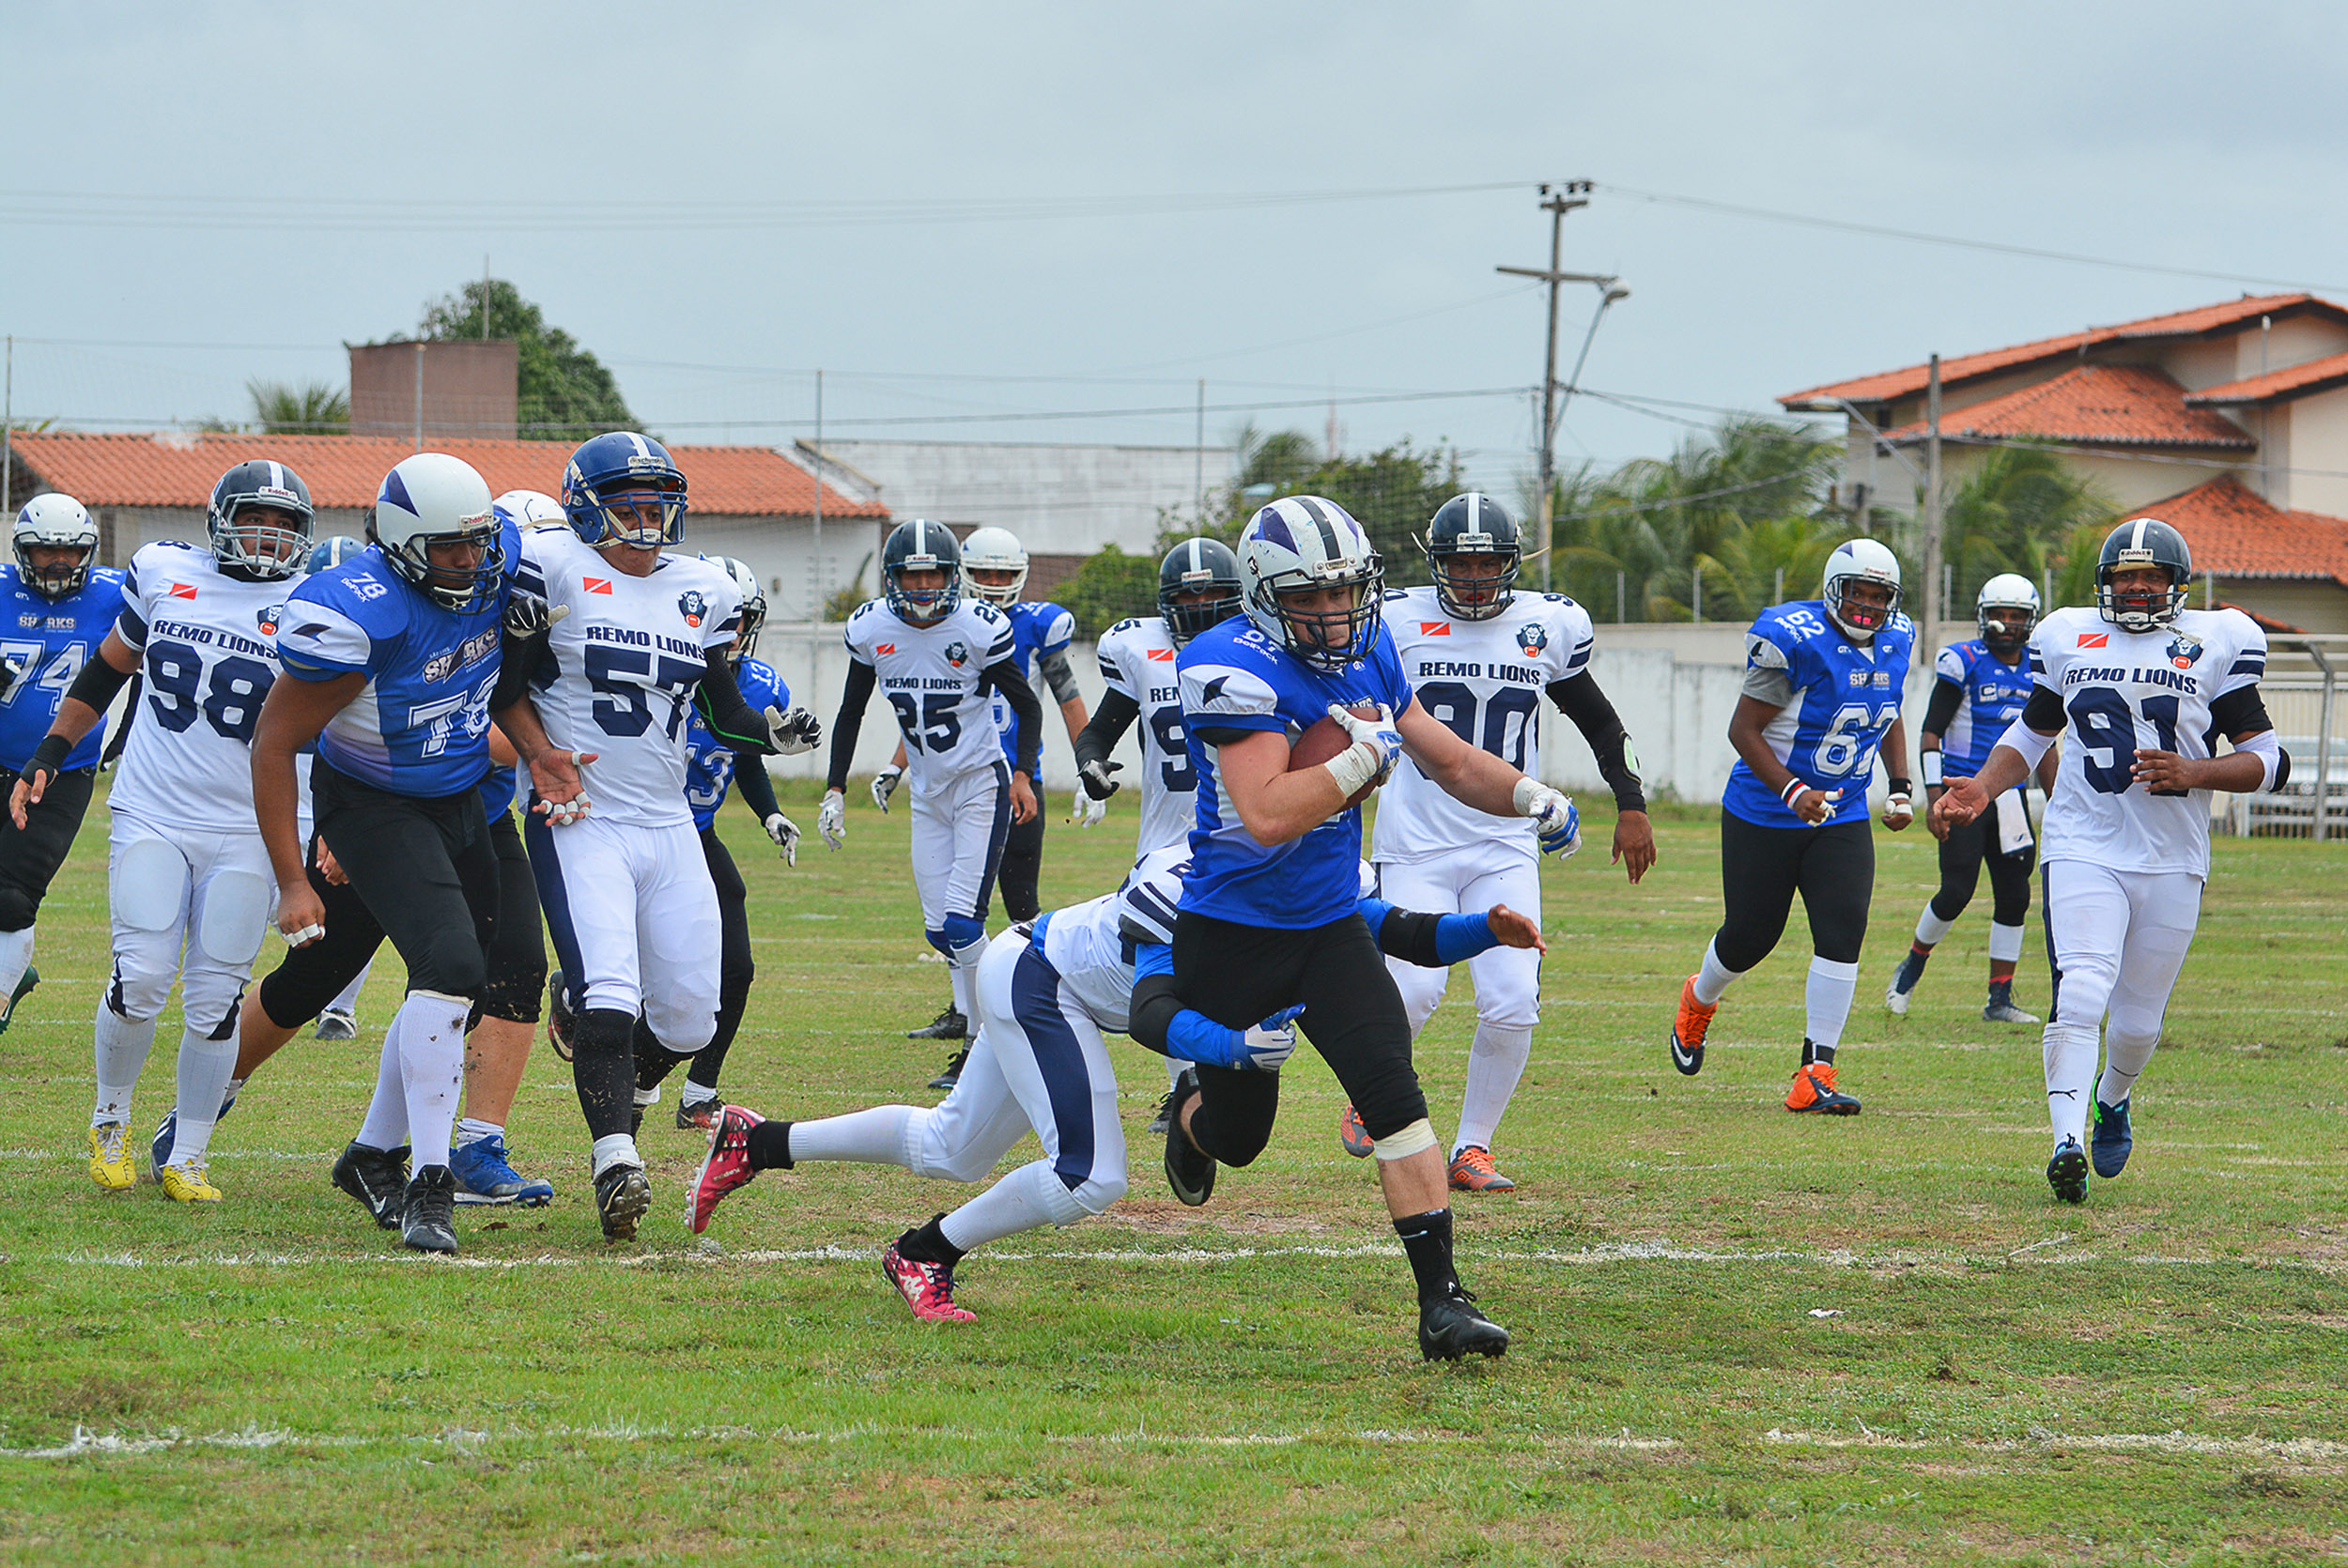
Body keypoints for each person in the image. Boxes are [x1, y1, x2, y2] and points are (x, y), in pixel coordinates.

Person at [687, 847, 1542, 1325]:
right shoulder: (1186, 877)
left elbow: (1386, 927)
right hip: (1042, 979)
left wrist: (1482, 931)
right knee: (1091, 1176)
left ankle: (757, 1141)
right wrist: (1237, 1046)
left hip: (1051, 976)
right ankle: (923, 1253)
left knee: (952, 1146)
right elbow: (1151, 1012)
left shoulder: (1309, 856)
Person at [1138, 495, 1582, 1360]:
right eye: (1311, 596)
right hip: (1233, 929)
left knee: (1394, 1096)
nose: (1334, 612)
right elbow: (1266, 815)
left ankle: (1443, 1302)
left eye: (1345, 591)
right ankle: (1193, 1118)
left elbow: (1448, 759)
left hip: (1332, 920)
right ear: (1265, 595)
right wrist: (1357, 759)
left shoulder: (1371, 646)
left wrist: (1531, 796)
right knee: (1242, 1139)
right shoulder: (1225, 661)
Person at [252, 451, 563, 1254]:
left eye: (475, 543)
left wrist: (536, 753)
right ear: (397, 545)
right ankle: (428, 1183)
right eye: (448, 548)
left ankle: (366, 1155)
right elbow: (273, 742)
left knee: (471, 974)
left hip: (460, 799)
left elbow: (498, 684)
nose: (468, 562)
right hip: (373, 805)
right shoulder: (362, 613)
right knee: (452, 966)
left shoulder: (498, 572)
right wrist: (293, 874)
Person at [510, 434, 816, 1240]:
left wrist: (770, 735)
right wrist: (540, 755)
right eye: (628, 505)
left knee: (690, 1021)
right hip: (584, 816)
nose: (647, 521)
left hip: (669, 819)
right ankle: (615, 1159)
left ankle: (625, 1097)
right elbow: (504, 682)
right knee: (610, 997)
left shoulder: (702, 587)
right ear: (584, 505)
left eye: (657, 505)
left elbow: (719, 705)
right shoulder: (549, 567)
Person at [1934, 517, 2286, 1203]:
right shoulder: (2066, 635)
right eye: (2125, 575)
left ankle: (2113, 1099)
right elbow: (2035, 731)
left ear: (2176, 584)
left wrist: (2196, 771)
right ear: (2105, 583)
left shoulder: (2216, 643)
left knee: (2137, 1023)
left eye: (2151, 575)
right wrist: (1982, 784)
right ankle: (2065, 1140)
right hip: (2083, 840)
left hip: (2171, 854)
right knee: (2084, 988)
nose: (2137, 587)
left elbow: (2272, 762)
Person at [14, 461, 313, 1202]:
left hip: (251, 824)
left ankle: (187, 1153)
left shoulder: (314, 606)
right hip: (155, 807)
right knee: (143, 977)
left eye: (283, 525)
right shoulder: (162, 573)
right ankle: (109, 1121)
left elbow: (334, 728)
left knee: (216, 995)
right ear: (219, 519)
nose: (269, 537)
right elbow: (107, 670)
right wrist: (51, 750)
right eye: (254, 518)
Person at [1361, 492, 1655, 1191]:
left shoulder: (1547, 625)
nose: (1472, 578)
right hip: (1417, 839)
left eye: (1487, 563)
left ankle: (1473, 1148)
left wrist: (1632, 803)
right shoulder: (1395, 622)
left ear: (1511, 563)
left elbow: (1600, 722)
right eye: (1459, 564)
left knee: (1514, 997)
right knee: (1413, 988)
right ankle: (1367, 1089)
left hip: (1505, 844)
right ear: (1436, 564)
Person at [1668, 538, 1916, 1115]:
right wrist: (1792, 790)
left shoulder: (1897, 636)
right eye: (1858, 593)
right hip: (1765, 807)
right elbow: (1743, 729)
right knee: (1752, 936)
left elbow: (1891, 709)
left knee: (1843, 931)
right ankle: (1698, 998)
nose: (1868, 608)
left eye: (1880, 597)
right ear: (1834, 590)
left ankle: (1815, 1071)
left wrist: (1901, 787)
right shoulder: (1793, 637)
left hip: (1845, 810)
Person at [817, 519, 1043, 1086]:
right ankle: (987, 1020)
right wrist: (835, 786)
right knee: (940, 932)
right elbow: (851, 711)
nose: (922, 586)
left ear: (951, 576)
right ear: (893, 578)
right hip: (927, 792)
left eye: (933, 574)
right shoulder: (872, 629)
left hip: (978, 784)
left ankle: (984, 1042)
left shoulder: (977, 628)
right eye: (911, 575)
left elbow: (1029, 705)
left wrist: (1021, 773)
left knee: (965, 923)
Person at [880, 525, 1089, 1071]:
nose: (994, 585)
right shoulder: (941, 625)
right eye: (985, 574)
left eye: (1004, 574)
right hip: (946, 778)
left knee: (1018, 902)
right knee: (954, 911)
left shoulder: (1034, 628)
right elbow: (921, 711)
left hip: (1011, 779)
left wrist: (1090, 765)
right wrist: (895, 767)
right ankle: (965, 1008)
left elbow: (1065, 698)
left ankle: (1033, 1005)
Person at [622, 554, 803, 1131]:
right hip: (637, 831)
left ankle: (697, 1092)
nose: (732, 632)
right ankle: (587, 1018)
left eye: (740, 618)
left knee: (736, 969)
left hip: (698, 834)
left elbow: (743, 755)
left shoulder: (759, 683)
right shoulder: (658, 671)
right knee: (634, 971)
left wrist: (770, 814)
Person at [1886, 573, 2057, 1023]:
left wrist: (2059, 803)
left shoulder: (2039, 668)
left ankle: (1999, 999)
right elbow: (1930, 733)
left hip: (2011, 796)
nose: (2006, 624)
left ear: (2030, 621)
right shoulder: (1963, 660)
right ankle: (1911, 967)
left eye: (2016, 616)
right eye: (1998, 614)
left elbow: (2044, 743)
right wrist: (1931, 794)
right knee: (1957, 890)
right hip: (1962, 792)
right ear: (1983, 617)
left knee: (2015, 895)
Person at [0, 494, 125, 1036]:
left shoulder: (118, 594)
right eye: (46, 549)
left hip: (62, 770)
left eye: (71, 551)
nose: (59, 561)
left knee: (12, 896)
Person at [1075, 537, 1247, 858]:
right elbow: (1099, 732)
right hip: (1165, 843)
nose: (1203, 606)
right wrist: (1090, 762)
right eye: (1188, 596)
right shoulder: (1140, 652)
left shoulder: (1261, 652)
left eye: (1215, 593)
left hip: (1248, 835)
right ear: (1168, 601)